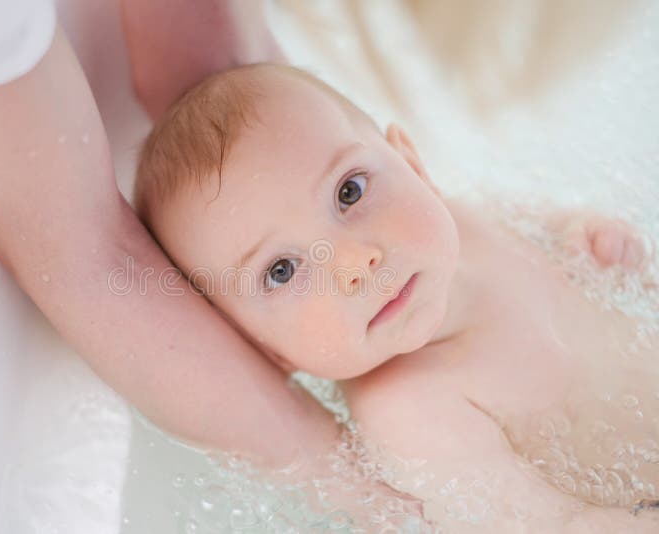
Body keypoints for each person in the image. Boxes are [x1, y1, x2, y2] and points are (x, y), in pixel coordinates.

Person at [132, 62, 659, 532]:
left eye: (350, 192)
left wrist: (583, 233)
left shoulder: (463, 224)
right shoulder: (409, 413)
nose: (353, 265)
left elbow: (545, 227)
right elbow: (552, 524)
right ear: (267, 349)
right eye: (282, 270)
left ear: (413, 166)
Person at [0, 0, 339, 468]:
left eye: (350, 191)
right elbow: (87, 258)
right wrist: (353, 483)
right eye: (280, 270)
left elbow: (201, 66)